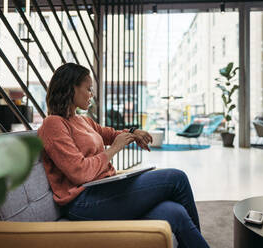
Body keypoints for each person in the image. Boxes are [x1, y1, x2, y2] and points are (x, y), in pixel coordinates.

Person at [38, 63, 209, 248]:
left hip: (105, 189)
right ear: (72, 88)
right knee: (177, 178)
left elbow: (110, 134)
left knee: (175, 212)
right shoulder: (53, 124)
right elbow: (78, 172)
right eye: (88, 89)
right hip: (83, 202)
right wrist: (113, 150)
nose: (91, 94)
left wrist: (134, 132)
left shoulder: (82, 120)